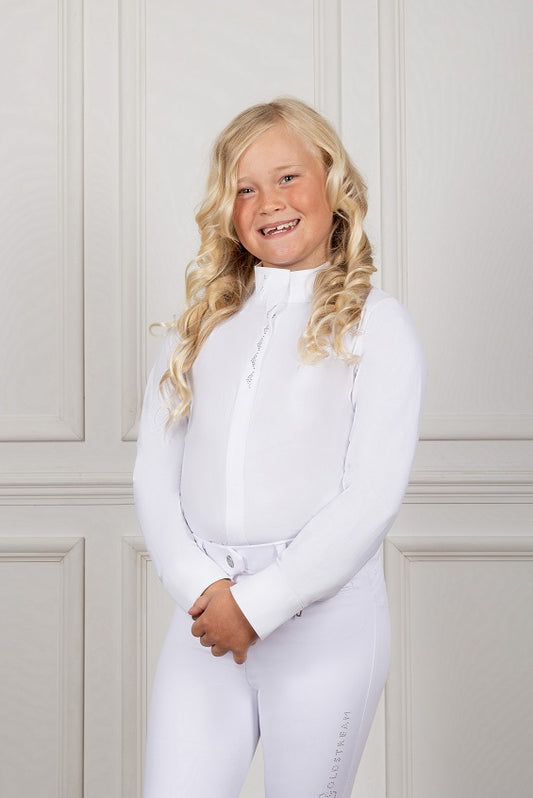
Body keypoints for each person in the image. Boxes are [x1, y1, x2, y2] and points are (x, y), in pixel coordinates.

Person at [133, 97, 425, 798]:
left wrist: (260, 604)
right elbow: (153, 475)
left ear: (333, 182)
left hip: (325, 627)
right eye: (244, 189)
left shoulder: (376, 326)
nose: (268, 202)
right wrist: (205, 591)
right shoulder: (199, 328)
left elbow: (371, 496)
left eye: (288, 177)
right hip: (206, 620)